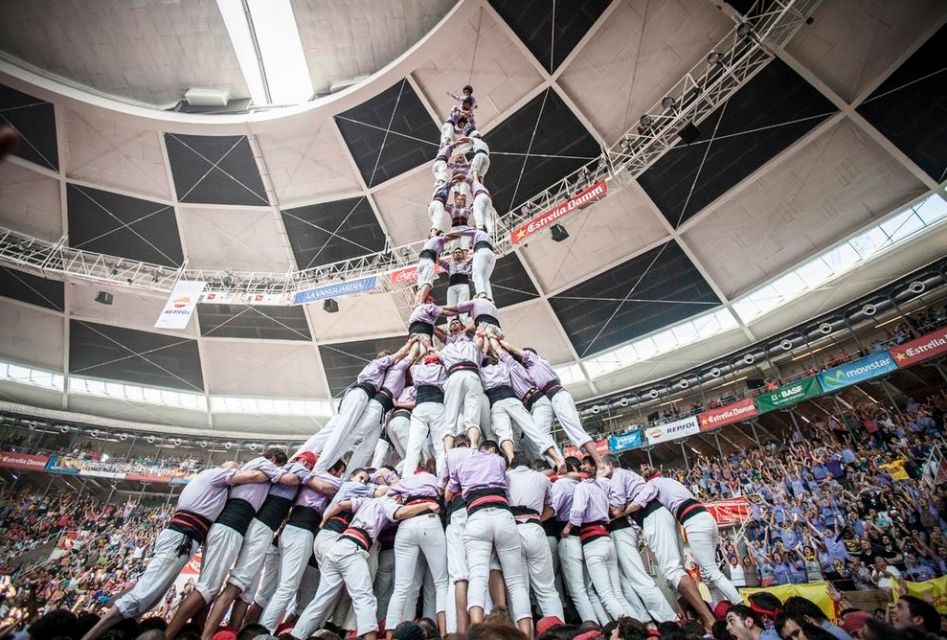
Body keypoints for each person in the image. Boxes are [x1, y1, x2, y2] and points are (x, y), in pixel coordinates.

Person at [80, 462, 272, 640]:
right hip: (182, 537)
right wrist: (273, 471)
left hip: (184, 537)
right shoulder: (215, 474)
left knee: (151, 597)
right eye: (234, 468)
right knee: (143, 595)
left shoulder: (212, 486)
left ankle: (117, 629)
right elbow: (254, 476)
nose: (236, 471)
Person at [166, 450, 296, 638]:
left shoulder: (250, 469)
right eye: (278, 465)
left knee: (209, 588)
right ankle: (170, 634)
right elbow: (287, 479)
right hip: (231, 526)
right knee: (207, 588)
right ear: (274, 460)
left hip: (226, 526)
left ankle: (195, 631)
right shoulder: (263, 464)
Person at [289, 494, 440, 640]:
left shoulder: (367, 501)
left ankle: (296, 636)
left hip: (338, 546)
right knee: (365, 598)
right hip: (354, 549)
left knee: (321, 600)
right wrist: (427, 505)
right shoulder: (386, 501)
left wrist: (323, 521)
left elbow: (341, 504)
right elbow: (399, 513)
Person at [201, 452, 316, 639]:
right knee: (237, 585)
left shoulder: (274, 471)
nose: (308, 468)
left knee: (247, 591)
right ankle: (207, 636)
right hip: (262, 528)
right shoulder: (295, 469)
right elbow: (295, 480)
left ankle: (233, 633)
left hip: (258, 526)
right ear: (303, 462)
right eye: (310, 465)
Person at [445, 440, 532, 637]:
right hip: (503, 514)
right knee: (516, 582)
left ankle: (476, 628)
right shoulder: (498, 460)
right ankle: (525, 634)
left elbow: (449, 493)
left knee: (477, 575)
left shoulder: (460, 465)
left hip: (476, 516)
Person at [258, 459, 347, 632]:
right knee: (287, 588)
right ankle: (265, 632)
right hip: (302, 530)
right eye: (339, 471)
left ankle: (266, 630)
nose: (340, 475)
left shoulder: (311, 478)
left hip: (293, 530)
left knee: (285, 589)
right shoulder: (321, 479)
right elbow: (334, 489)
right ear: (333, 470)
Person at [637, 473, 743, 605]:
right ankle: (720, 607)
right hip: (707, 518)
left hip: (694, 522)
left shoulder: (653, 484)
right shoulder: (672, 482)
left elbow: (639, 502)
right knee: (706, 575)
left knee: (711, 572)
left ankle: (741, 606)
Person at [499, 341, 603, 468]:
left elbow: (512, 349)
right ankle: (558, 464)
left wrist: (498, 340)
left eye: (523, 357)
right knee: (539, 436)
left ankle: (599, 462)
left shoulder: (536, 361)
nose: (522, 359)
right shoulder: (529, 371)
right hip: (551, 399)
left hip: (558, 394)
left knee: (574, 429)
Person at [601, 454, 678, 624]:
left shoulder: (618, 476)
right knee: (629, 581)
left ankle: (670, 620)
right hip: (636, 524)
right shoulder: (618, 477)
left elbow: (617, 510)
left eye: (601, 465)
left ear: (610, 465)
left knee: (643, 578)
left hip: (642, 518)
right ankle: (649, 620)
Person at [563, 457, 637, 621]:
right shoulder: (601, 487)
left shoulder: (582, 487)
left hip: (592, 541)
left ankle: (628, 630)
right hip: (606, 538)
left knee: (605, 594)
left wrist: (567, 529)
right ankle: (640, 628)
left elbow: (577, 511)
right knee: (617, 594)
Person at [296, 350, 396, 466]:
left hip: (361, 398)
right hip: (360, 393)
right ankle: (316, 464)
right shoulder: (377, 365)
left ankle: (306, 460)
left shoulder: (379, 373)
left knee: (336, 432)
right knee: (340, 430)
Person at [384, 462, 449, 637]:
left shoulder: (406, 481)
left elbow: (387, 494)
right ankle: (444, 633)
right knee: (441, 582)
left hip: (406, 525)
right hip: (430, 521)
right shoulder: (435, 479)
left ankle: (393, 635)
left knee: (401, 587)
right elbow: (444, 492)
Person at [505, 455, 563, 621]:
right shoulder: (541, 478)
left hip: (512, 529)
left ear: (511, 466)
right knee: (546, 589)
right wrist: (537, 518)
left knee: (518, 588)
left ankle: (522, 634)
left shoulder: (505, 477)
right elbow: (551, 508)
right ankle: (557, 631)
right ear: (530, 466)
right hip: (535, 528)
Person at [404, 350, 447, 475]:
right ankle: (442, 478)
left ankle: (407, 478)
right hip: (437, 406)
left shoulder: (418, 369)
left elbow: (411, 364)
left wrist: (423, 355)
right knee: (440, 446)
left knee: (414, 444)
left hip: (420, 407)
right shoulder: (443, 370)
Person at [779, 597, 852, 640]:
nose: (795, 639)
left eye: (796, 633)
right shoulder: (830, 629)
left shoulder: (828, 635)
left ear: (806, 619)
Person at [441, 247, 472, 320]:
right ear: (453, 255)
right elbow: (441, 262)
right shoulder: (450, 265)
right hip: (452, 287)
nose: (457, 253)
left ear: (463, 255)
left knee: (462, 306)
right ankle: (450, 325)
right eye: (456, 252)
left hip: (463, 285)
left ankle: (462, 323)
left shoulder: (467, 263)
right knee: (450, 307)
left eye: (459, 252)